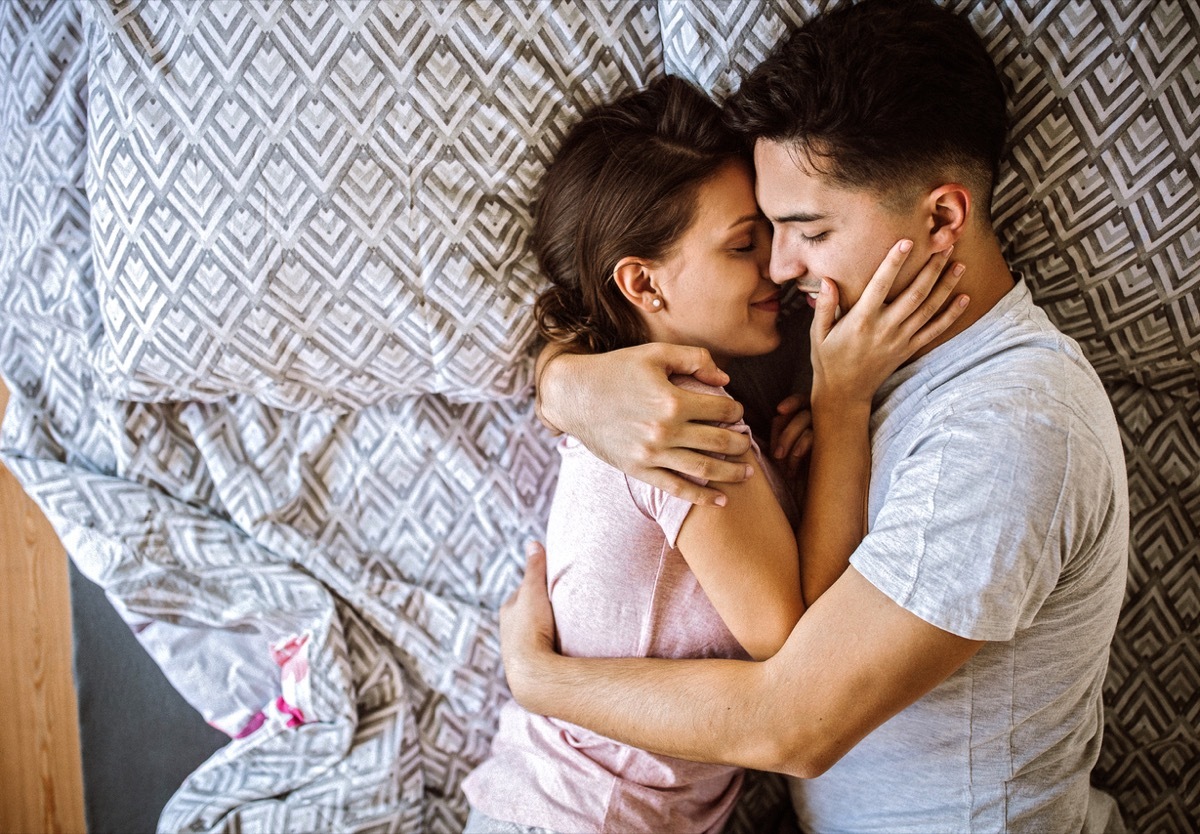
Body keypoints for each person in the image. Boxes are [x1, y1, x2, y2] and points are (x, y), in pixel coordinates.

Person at [500, 1, 1130, 832]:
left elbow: (794, 725)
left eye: (807, 229)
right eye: (761, 232)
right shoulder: (849, 341)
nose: (782, 265)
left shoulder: (1013, 427)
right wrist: (569, 383)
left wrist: (541, 683)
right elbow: (630, 314)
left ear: (942, 219)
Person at [461, 74, 966, 834]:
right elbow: (801, 642)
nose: (778, 269)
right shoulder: (679, 419)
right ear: (642, 283)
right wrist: (840, 408)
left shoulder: (636, 400)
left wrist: (800, 475)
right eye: (741, 245)